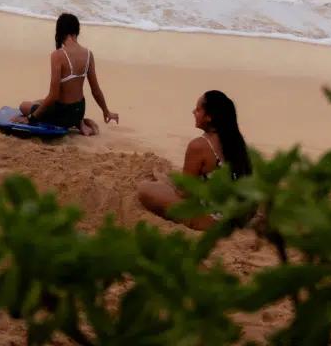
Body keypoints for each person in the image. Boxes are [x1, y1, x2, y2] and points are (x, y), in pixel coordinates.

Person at [137, 90, 252, 230]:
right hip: (236, 217)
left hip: (212, 220)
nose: (193, 112)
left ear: (209, 116)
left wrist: (166, 182)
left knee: (145, 188)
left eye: (198, 109)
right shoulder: (237, 142)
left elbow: (184, 194)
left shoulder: (199, 145)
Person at [16, 13, 118, 135]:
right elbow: (95, 90)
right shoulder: (88, 55)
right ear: (77, 31)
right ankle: (80, 122)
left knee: (24, 106)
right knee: (40, 101)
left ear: (60, 32)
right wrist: (106, 111)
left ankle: (78, 122)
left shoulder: (58, 55)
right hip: (79, 110)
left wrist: (31, 118)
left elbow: (53, 95)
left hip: (63, 114)